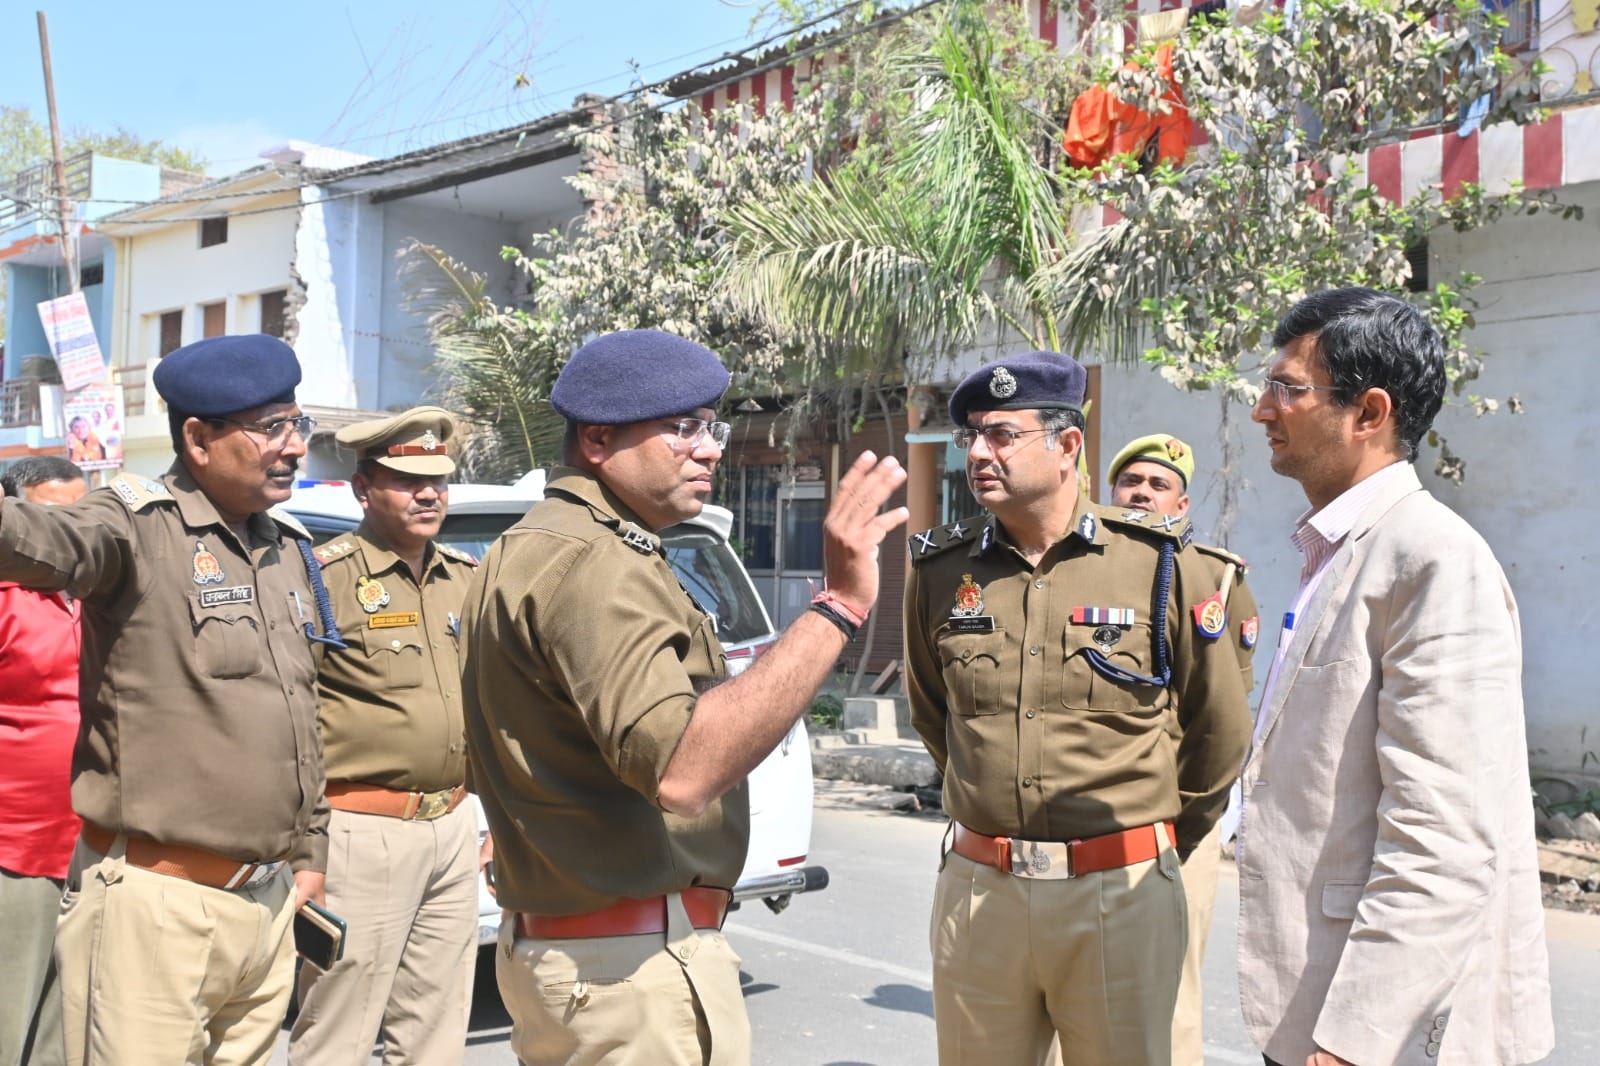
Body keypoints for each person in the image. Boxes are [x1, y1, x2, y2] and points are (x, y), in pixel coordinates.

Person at [461, 329, 907, 1066]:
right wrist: (837, 609)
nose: (710, 449)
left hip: (588, 954)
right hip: (627, 969)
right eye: (682, 429)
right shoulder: (597, 563)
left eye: (712, 427)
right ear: (599, 439)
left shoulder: (538, 544)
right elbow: (684, 770)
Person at [903, 351, 1253, 1066]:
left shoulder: (1160, 565)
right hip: (982, 894)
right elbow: (934, 716)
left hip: (1119, 893)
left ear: (1067, 447)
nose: (977, 453)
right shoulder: (941, 571)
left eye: (1001, 434)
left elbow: (1217, 730)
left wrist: (1153, 841)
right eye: (971, 435)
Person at [1237, 287, 1554, 1066]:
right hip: (1327, 1004)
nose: (1262, 410)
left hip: (1384, 1029)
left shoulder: (1432, 559)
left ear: (1369, 413)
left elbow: (1444, 836)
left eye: (1287, 387)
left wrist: (1352, 1043)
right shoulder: (1346, 549)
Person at [0, 334, 332, 1066]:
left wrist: (311, 849)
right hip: (156, 907)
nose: (294, 447)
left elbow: (299, 713)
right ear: (198, 438)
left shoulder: (281, 547)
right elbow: (37, 540)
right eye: (270, 427)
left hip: (266, 907)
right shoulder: (132, 524)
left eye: (297, 424)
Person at [290, 407, 483, 1066]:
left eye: (438, 480)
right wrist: (302, 845)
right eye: (407, 479)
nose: (429, 493)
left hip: (453, 826)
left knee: (436, 1029)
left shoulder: (465, 578)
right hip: (358, 832)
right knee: (338, 1030)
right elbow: (288, 718)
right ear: (363, 488)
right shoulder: (324, 577)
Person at [1105, 433, 1258, 1066]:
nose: (1141, 492)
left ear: (1183, 502)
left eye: (1157, 484)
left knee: (1171, 987)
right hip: (1087, 815)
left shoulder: (1215, 577)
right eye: (1131, 481)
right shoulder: (1076, 568)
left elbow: (1222, 718)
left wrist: (1188, 820)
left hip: (1174, 816)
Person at [0, 457, 87, 1066]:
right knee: (9, 1015)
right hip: (15, 846)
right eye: (55, 517)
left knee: (66, 1029)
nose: (71, 533)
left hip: (95, 843)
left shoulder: (100, 593)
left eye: (81, 516)